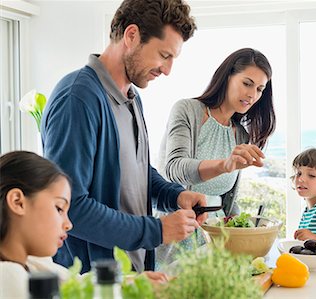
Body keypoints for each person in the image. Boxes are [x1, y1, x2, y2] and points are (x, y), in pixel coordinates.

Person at [41, 0, 207, 274]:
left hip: (134, 276)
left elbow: (136, 173)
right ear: (131, 36)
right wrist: (157, 230)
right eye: (164, 55)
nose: (167, 70)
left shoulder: (132, 98)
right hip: (93, 282)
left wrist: (175, 196)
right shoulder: (78, 98)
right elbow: (69, 207)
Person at [156, 48, 276, 266]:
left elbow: (226, 202)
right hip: (175, 235)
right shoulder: (188, 110)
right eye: (247, 83)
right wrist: (225, 165)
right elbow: (174, 168)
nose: (253, 95)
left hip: (214, 242)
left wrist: (249, 231)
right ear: (227, 76)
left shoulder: (241, 134)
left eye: (260, 89)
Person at [0, 151, 168, 298]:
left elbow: (77, 283)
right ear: (18, 202)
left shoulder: (35, 265)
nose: (68, 224)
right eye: (59, 208)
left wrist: (133, 284)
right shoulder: (8, 277)